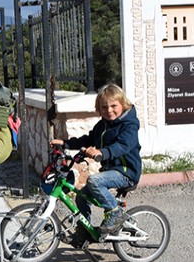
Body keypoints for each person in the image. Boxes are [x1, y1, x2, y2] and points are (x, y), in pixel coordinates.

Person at [50, 83, 142, 236]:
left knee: (94, 181)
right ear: (99, 109)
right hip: (110, 171)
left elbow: (123, 146)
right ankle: (85, 232)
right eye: (104, 107)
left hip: (126, 172)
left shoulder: (129, 125)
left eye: (113, 106)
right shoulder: (103, 125)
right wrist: (66, 143)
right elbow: (88, 139)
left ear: (123, 104)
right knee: (81, 197)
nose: (109, 110)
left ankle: (114, 212)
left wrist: (102, 152)